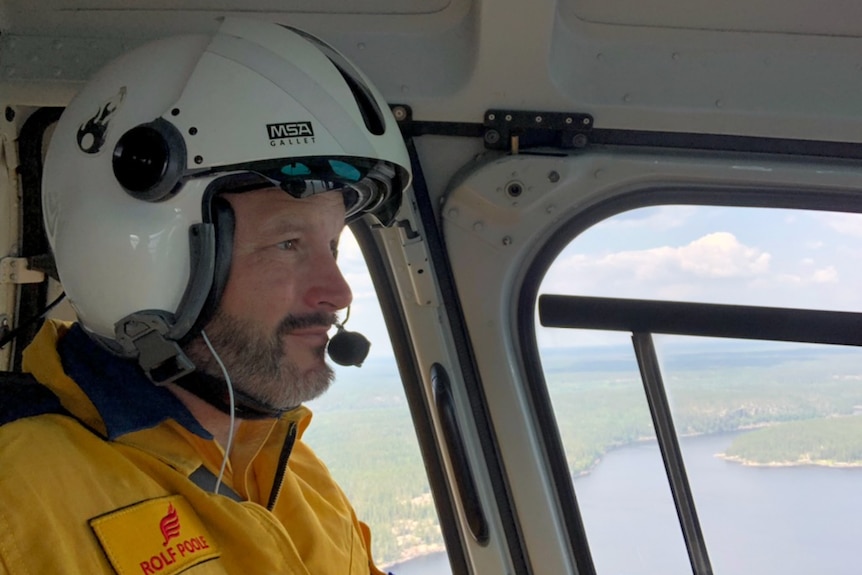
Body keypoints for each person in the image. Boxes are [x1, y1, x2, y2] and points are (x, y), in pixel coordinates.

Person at [0, 16, 411, 574]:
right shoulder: (17, 497)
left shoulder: (290, 469)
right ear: (143, 261)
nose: (336, 293)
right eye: (288, 243)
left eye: (333, 246)